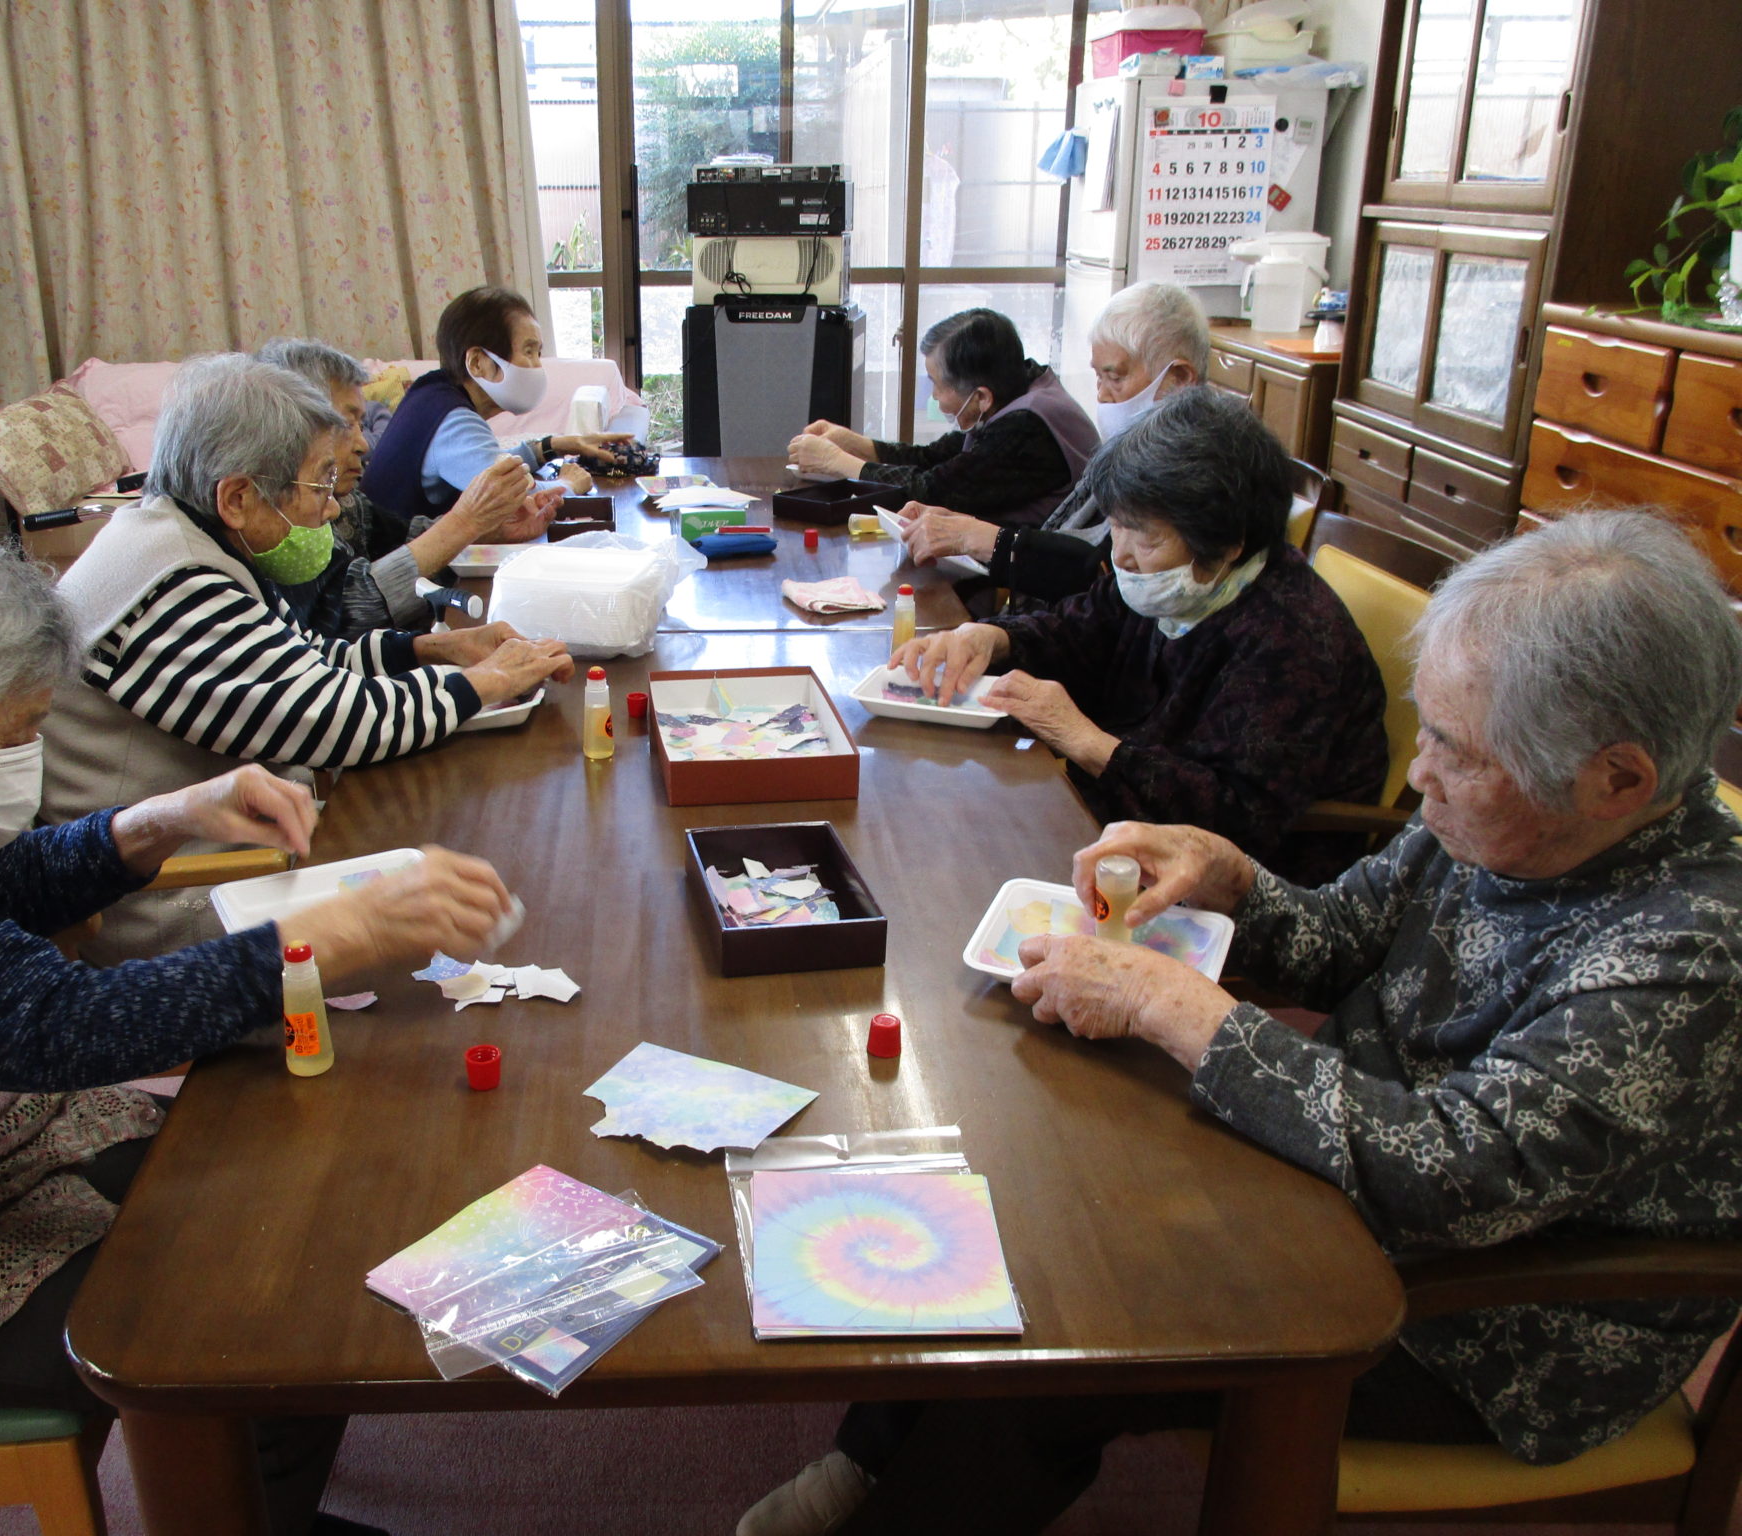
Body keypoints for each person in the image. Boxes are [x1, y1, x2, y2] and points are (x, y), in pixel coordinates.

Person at [739, 508, 1742, 1536]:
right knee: (1036, 1189)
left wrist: (1176, 1009)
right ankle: (873, 1463)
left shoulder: (1688, 954)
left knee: (1082, 1317)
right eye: (1428, 730)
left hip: (1490, 1325)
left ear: (1617, 779)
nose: (1420, 774)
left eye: (1454, 749)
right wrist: (1229, 878)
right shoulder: (1519, 813)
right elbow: (1339, 937)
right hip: (1345, 1175)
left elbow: (1456, 1182)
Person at [0, 512, 510, 1536]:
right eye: (9, 734)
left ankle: (263, 1500)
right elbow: (53, 1027)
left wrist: (164, 819)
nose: (24, 756)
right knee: (264, 1300)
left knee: (292, 1185)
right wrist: (329, 935)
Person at [40, 352, 573, 961]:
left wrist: (431, 647)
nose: (332, 507)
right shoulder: (174, 585)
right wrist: (487, 681)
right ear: (238, 497)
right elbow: (338, 721)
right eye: (319, 484)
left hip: (233, 857)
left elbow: (306, 661)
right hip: (176, 909)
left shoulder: (183, 538)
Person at [893, 387, 1386, 885]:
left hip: (1228, 884)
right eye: (1117, 526)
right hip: (1125, 821)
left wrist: (1086, 741)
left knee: (957, 864)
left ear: (1226, 542)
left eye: (1145, 537)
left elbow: (1238, 818)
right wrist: (990, 638)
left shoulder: (1295, 641)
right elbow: (1079, 629)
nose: (1121, 555)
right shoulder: (1181, 580)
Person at [898, 282, 1210, 607]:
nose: (1101, 395)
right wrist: (963, 528)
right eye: (1098, 378)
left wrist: (976, 536)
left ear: (1179, 379)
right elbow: (1065, 543)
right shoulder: (1128, 453)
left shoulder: (1190, 476)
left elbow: (1101, 576)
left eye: (1115, 378)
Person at [257, 338, 562, 639]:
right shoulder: (279, 519)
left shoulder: (344, 499)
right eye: (347, 424)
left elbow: (404, 535)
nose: (363, 445)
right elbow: (349, 613)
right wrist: (466, 521)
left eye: (361, 425)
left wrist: (489, 527)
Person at [788, 307, 1098, 529]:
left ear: (981, 396)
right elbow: (933, 458)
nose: (933, 396)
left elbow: (933, 491)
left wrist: (836, 461)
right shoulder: (1013, 385)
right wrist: (854, 444)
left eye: (937, 385)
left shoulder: (1026, 428)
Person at [358, 285, 632, 522]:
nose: (538, 366)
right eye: (528, 351)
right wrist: (568, 484)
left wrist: (554, 445)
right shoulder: (454, 422)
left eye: (538, 353)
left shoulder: (431, 392)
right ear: (478, 362)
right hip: (395, 560)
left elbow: (488, 464)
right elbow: (520, 505)